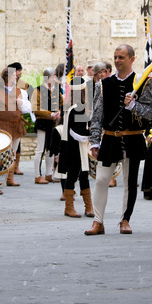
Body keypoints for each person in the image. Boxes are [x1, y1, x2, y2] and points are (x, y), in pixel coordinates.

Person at [84, 44, 152, 236]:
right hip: (109, 139)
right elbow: (97, 116)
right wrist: (94, 141)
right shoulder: (104, 84)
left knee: (129, 181)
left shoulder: (144, 83)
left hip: (133, 139)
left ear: (132, 59)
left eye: (121, 57)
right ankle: (98, 222)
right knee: (101, 180)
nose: (117, 61)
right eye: (115, 57)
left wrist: (134, 105)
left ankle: (125, 219)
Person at [58, 76, 94, 218]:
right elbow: (76, 131)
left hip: (76, 146)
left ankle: (88, 207)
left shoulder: (73, 107)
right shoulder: (77, 108)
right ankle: (69, 208)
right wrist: (92, 135)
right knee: (73, 175)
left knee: (83, 175)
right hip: (75, 147)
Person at [0, 67, 31, 186]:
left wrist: (21, 103)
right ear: (6, 77)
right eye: (12, 76)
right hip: (2, 125)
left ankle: (10, 178)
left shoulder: (21, 92)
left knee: (13, 152)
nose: (15, 78)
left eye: (16, 76)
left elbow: (27, 109)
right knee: (0, 152)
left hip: (16, 124)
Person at [31, 67, 63, 184]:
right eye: (53, 76)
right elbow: (35, 108)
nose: (54, 78)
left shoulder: (56, 90)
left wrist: (59, 112)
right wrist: (50, 114)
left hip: (53, 124)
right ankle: (37, 175)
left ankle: (49, 174)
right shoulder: (38, 90)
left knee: (51, 150)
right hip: (42, 123)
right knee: (40, 149)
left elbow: (61, 103)